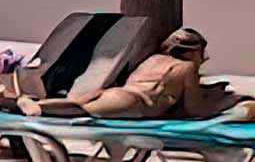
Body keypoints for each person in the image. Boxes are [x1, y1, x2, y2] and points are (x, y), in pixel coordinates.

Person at [33, 26, 230, 121]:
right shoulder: (186, 68)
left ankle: (31, 104)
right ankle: (36, 108)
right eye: (201, 53)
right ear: (193, 51)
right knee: (81, 111)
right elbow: (194, 108)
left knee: (78, 104)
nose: (203, 58)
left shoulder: (153, 59)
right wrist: (220, 108)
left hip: (118, 93)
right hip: (135, 102)